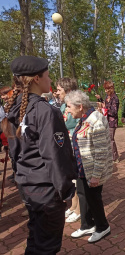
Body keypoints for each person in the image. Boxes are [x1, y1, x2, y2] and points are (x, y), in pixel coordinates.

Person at [2, 56, 77, 254]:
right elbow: (55, 156)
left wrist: (22, 177)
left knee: (36, 238)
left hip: (27, 184)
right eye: (48, 75)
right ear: (36, 78)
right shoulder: (46, 111)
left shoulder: (14, 107)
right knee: (47, 246)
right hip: (46, 190)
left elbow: (14, 152)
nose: (50, 80)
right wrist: (65, 190)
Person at [65, 90, 112, 243]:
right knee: (84, 196)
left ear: (80, 106)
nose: (67, 110)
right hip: (82, 168)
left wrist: (96, 175)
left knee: (94, 199)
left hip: (92, 170)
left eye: (69, 107)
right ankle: (87, 225)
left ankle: (102, 226)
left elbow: (101, 152)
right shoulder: (84, 118)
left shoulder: (95, 120)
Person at [56, 77, 81, 223]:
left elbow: (79, 125)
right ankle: (73, 206)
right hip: (67, 145)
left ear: (68, 90)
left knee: (77, 178)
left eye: (59, 90)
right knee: (72, 178)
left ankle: (79, 209)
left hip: (75, 145)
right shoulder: (64, 105)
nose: (57, 93)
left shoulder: (77, 105)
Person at [96, 81, 120, 163]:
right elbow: (105, 104)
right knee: (107, 139)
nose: (106, 91)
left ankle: (115, 157)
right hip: (106, 120)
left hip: (112, 122)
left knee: (110, 139)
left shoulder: (115, 98)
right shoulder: (107, 97)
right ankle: (112, 155)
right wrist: (100, 99)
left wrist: (105, 107)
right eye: (105, 89)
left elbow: (114, 112)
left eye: (107, 89)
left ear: (111, 88)